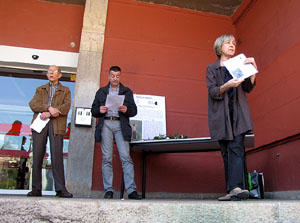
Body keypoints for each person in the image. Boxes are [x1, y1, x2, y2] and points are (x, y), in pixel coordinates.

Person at [206, 34, 257, 201]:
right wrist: (227, 85)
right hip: (221, 116)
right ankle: (233, 190)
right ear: (219, 47)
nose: (232, 45)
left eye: (234, 43)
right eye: (228, 43)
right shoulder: (212, 68)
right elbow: (213, 91)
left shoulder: (239, 64)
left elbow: (248, 87)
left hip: (238, 115)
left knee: (235, 148)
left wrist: (253, 70)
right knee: (226, 152)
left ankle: (236, 187)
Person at [91, 66, 142, 199]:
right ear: (108, 76)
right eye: (112, 76)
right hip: (106, 124)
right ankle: (108, 190)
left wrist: (126, 109)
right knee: (106, 158)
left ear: (120, 76)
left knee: (126, 157)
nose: (115, 78)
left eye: (117, 76)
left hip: (121, 124)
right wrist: (99, 110)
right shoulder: (101, 91)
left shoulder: (127, 91)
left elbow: (134, 110)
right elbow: (93, 110)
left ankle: (131, 190)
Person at [27, 65, 72, 198]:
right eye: (49, 71)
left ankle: (60, 189)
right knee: (37, 155)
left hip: (57, 124)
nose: (51, 73)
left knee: (57, 155)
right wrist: (48, 108)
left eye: (54, 71)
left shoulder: (66, 90)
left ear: (59, 75)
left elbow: (66, 107)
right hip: (40, 124)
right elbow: (33, 104)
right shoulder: (40, 89)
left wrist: (51, 114)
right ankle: (36, 189)